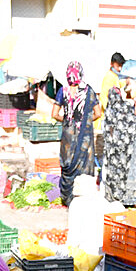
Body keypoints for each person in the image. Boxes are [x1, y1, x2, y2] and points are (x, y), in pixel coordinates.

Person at [51, 61, 101, 206]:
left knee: (68, 164)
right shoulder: (88, 91)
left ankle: (67, 198)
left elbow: (54, 114)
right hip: (84, 135)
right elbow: (98, 113)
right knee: (84, 165)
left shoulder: (62, 91)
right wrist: (84, 121)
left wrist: (68, 120)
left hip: (68, 135)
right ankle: (82, 199)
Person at [102, 86, 136, 207]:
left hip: (125, 143)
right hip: (135, 140)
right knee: (133, 168)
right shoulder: (127, 106)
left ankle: (123, 197)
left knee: (122, 170)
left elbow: (108, 132)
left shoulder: (109, 110)